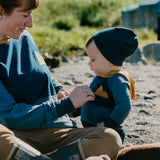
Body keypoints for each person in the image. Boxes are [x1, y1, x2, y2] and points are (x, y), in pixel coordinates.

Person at [0, 0, 122, 160]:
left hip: (58, 131)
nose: (30, 23)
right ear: (1, 11)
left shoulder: (25, 38)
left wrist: (60, 93)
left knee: (110, 138)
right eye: (25, 15)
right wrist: (65, 105)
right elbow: (9, 115)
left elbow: (46, 79)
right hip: (18, 135)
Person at [81, 27, 139, 144]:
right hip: (93, 130)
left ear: (110, 59)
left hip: (107, 133)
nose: (89, 63)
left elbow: (124, 105)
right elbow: (93, 99)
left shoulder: (117, 79)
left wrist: (109, 125)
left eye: (93, 59)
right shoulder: (102, 76)